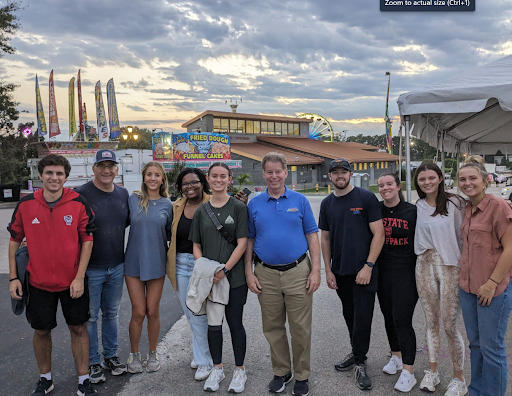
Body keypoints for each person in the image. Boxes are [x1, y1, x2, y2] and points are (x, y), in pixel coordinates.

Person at [8, 154, 97, 396]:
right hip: (38, 282)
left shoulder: (79, 202)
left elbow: (87, 241)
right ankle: (45, 379)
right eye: (49, 173)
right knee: (41, 331)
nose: (54, 177)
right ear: (40, 175)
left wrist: (79, 278)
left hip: (72, 282)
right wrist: (13, 278)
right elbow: (14, 241)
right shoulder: (26, 205)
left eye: (59, 173)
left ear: (66, 177)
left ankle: (84, 382)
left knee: (78, 329)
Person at [245, 152, 321, 396]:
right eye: (269, 172)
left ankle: (302, 375)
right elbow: (249, 240)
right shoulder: (254, 204)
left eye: (278, 171)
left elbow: (312, 236)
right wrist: (249, 272)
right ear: (264, 173)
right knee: (273, 327)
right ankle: (281, 371)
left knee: (300, 328)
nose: (274, 176)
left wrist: (316, 270)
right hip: (265, 273)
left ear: (286, 172)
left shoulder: (300, 201)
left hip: (298, 271)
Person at [319, 158, 384, 391]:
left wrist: (368, 265)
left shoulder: (366, 198)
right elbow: (325, 238)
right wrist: (328, 270)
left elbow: (379, 235)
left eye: (343, 172)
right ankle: (357, 352)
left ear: (350, 174)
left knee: (363, 318)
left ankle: (360, 362)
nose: (339, 176)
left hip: (364, 270)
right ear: (330, 176)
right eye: (335, 172)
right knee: (350, 315)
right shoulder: (327, 204)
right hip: (341, 270)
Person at [190, 162, 249, 393]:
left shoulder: (238, 208)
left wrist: (224, 270)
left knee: (235, 324)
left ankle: (239, 370)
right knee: (213, 326)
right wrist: (204, 268)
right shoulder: (201, 211)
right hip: (210, 280)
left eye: (223, 176)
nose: (218, 180)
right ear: (208, 178)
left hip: (233, 279)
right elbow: (196, 244)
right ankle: (217, 368)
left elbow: (243, 243)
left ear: (229, 179)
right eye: (214, 176)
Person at [457, 155, 512, 396]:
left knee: (492, 348)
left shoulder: (498, 206)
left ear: (486, 180)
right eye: (462, 179)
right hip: (469, 289)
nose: (467, 183)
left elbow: (510, 248)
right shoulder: (467, 208)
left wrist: (491, 284)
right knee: (476, 346)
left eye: (472, 178)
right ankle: (476, 390)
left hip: (492, 290)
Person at [75, 149, 129, 383]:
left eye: (111, 166)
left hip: (117, 265)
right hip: (91, 268)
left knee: (112, 314)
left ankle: (111, 356)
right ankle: (93, 361)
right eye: (102, 166)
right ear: (94, 168)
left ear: (117, 168)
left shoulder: (123, 193)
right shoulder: (80, 194)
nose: (106, 170)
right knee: (91, 317)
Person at [413, 162, 467, 396]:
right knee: (431, 321)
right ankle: (432, 371)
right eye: (422, 179)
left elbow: (463, 235)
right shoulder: (418, 205)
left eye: (431, 178)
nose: (427, 182)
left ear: (441, 179)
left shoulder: (456, 203)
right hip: (424, 264)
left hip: (450, 266)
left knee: (449, 324)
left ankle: (459, 378)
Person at [124, 161, 172, 374]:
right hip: (133, 263)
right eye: (149, 174)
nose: (153, 178)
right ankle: (134, 354)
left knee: (153, 311)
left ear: (162, 179)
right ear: (144, 177)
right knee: (139, 311)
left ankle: (153, 353)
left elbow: (173, 235)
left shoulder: (167, 205)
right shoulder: (133, 200)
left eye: (157, 175)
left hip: (156, 264)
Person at [166, 168, 214, 381]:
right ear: (180, 187)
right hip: (180, 264)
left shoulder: (213, 203)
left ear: (202, 182)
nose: (190, 187)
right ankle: (201, 353)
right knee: (190, 313)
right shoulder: (177, 206)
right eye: (185, 184)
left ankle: (205, 361)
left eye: (194, 182)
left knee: (199, 314)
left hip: (204, 265)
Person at [376, 173, 418, 393]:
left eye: (389, 184)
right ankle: (396, 356)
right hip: (383, 273)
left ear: (398, 186)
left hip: (406, 273)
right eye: (381, 185)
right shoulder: (377, 211)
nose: (385, 188)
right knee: (389, 318)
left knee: (402, 319)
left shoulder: (412, 211)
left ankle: (408, 371)